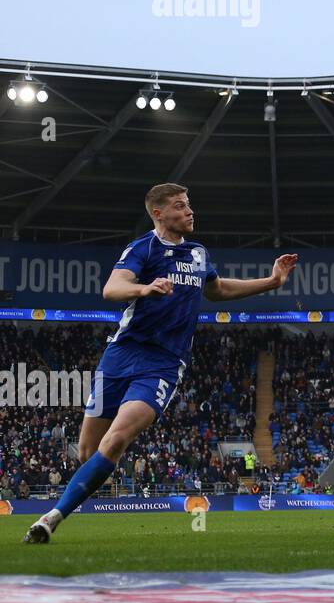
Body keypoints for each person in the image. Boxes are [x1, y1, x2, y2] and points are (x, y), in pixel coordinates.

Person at [23, 183, 298, 544]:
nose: (189, 212)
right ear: (159, 213)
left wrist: (272, 281)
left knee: (118, 438)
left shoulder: (198, 253)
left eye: (189, 205)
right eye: (181, 207)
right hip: (120, 355)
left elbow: (218, 291)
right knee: (89, 452)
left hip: (163, 364)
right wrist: (143, 288)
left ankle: (51, 518)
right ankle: (86, 485)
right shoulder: (143, 248)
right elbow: (112, 288)